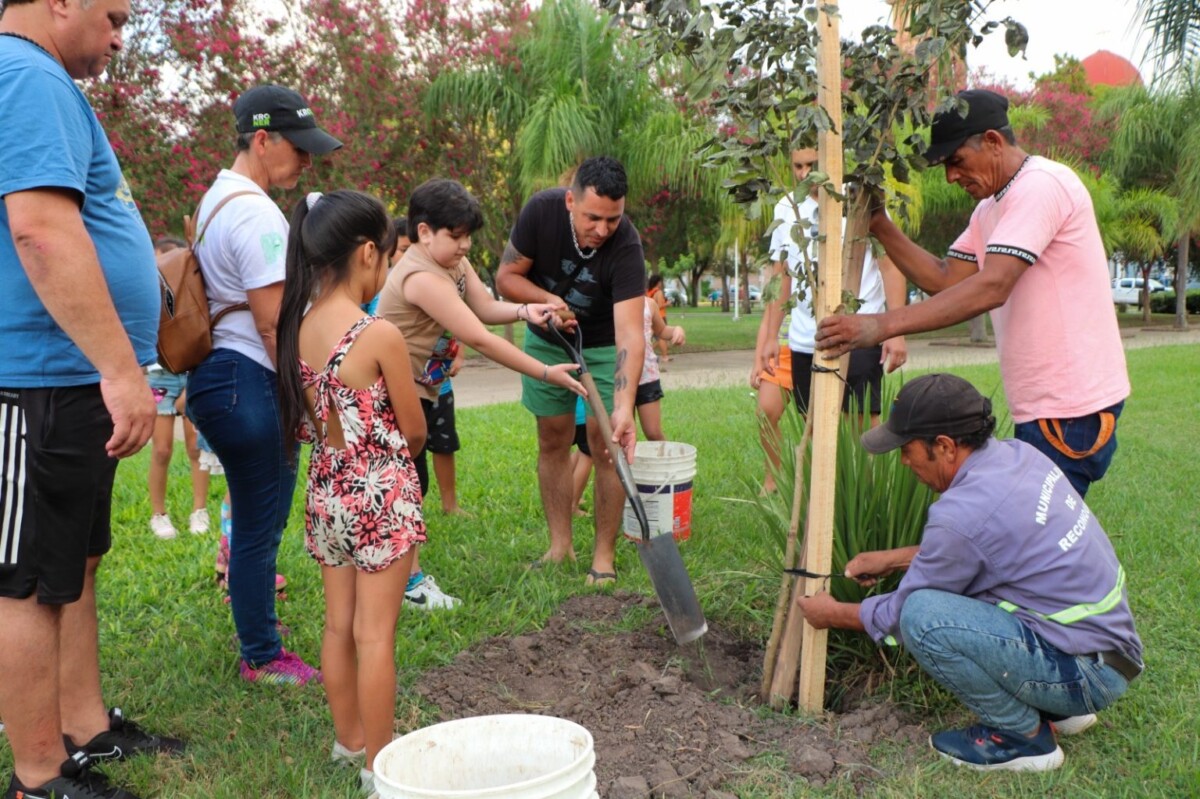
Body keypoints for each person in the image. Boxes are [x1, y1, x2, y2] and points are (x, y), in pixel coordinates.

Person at [1, 2, 184, 797]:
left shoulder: (41, 79)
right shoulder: (24, 74)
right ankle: (40, 774)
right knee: (26, 581)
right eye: (112, 16)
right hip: (38, 376)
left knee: (73, 562)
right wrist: (119, 368)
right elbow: (40, 229)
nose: (118, 37)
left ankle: (83, 726)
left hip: (69, 378)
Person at [795, 373, 1143, 772]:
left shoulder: (962, 515)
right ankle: (1059, 708)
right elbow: (982, 548)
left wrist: (831, 614)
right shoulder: (1018, 457)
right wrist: (891, 559)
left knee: (922, 616)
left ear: (944, 446)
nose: (904, 461)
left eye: (907, 449)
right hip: (1108, 652)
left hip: (1085, 673)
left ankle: (1022, 738)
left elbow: (898, 615)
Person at [814, 89, 1129, 497]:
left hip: (1070, 405)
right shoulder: (990, 209)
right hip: (1047, 405)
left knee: (1037, 527)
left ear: (993, 142)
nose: (950, 176)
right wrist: (880, 224)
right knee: (1036, 522)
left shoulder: (1041, 186)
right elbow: (946, 278)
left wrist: (879, 326)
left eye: (957, 161)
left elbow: (992, 286)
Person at [186, 83, 342, 685]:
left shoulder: (216, 200)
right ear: (261, 139)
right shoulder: (255, 211)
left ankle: (257, 635)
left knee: (253, 522)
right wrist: (310, 401)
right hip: (247, 380)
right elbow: (274, 322)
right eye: (298, 148)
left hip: (220, 378)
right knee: (259, 526)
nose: (306, 162)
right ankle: (263, 656)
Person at [277, 189, 426, 798]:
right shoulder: (378, 333)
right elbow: (415, 430)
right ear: (367, 252)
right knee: (374, 635)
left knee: (338, 625)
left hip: (326, 490)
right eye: (387, 257)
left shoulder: (297, 326)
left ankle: (349, 741)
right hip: (378, 493)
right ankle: (379, 768)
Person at [377, 178, 585, 607]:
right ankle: (409, 585)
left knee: (411, 483)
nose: (466, 245)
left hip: (418, 389)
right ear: (424, 232)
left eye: (468, 235)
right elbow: (479, 338)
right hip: (389, 391)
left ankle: (401, 577)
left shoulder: (451, 262)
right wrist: (545, 371)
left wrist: (527, 310)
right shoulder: (420, 276)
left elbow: (486, 308)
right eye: (457, 236)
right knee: (405, 485)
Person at [496, 156, 647, 586]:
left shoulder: (627, 244)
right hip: (546, 340)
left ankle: (604, 556)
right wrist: (548, 302)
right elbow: (506, 277)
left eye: (612, 219)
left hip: (601, 345)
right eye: (592, 218)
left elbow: (630, 333)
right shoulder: (540, 213)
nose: (602, 230)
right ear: (570, 201)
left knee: (607, 445)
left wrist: (624, 406)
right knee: (553, 438)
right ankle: (560, 546)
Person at [755, 147, 908, 431]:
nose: (804, 174)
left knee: (860, 425)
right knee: (814, 427)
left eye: (812, 165)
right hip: (806, 339)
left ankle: (863, 466)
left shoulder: (862, 200)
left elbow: (891, 268)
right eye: (798, 166)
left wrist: (896, 332)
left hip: (861, 333)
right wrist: (771, 337)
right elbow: (782, 277)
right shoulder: (786, 208)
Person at [146, 236, 211, 539]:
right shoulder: (147, 290)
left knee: (195, 446)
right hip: (159, 377)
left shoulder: (192, 289)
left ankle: (200, 510)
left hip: (189, 372)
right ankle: (158, 514)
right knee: (161, 449)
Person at [634, 293, 685, 441]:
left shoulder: (649, 304)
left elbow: (661, 330)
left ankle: (665, 457)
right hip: (619, 379)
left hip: (646, 376)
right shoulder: (611, 303)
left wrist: (677, 330)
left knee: (654, 433)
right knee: (623, 437)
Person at [646, 272, 670, 367]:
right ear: (658, 282)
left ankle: (647, 352)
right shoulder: (658, 292)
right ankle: (665, 356)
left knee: (651, 337)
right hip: (660, 316)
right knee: (662, 337)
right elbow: (659, 305)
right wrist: (667, 304)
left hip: (651, 316)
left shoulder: (649, 292)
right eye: (661, 282)